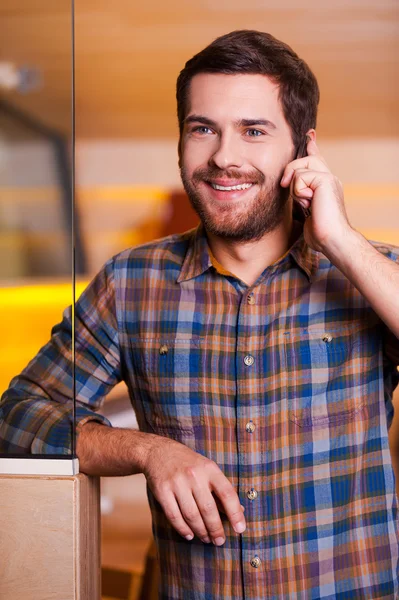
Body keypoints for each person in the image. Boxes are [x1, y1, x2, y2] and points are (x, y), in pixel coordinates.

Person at [1, 29, 399, 599]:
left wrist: (338, 238)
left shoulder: (370, 274)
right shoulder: (129, 282)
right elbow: (16, 417)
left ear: (305, 151)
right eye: (202, 129)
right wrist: (147, 450)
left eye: (254, 131)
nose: (223, 157)